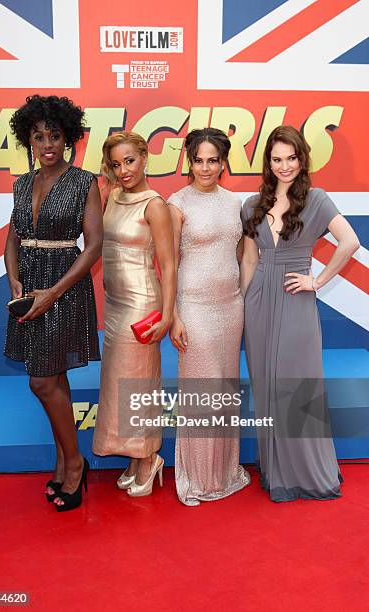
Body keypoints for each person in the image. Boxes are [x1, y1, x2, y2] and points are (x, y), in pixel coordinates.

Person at [240, 125, 360, 502]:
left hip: (295, 297)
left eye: (291, 158)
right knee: (267, 386)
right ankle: (276, 470)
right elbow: (248, 257)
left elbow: (351, 241)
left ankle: (306, 473)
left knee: (296, 383)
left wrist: (318, 280)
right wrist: (246, 302)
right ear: (268, 162)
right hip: (259, 299)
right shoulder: (252, 204)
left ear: (302, 159)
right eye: (277, 159)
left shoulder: (318, 199)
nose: (284, 166)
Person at [4, 95, 103, 511]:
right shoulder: (21, 183)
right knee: (54, 380)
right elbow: (13, 238)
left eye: (55, 135)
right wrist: (13, 277)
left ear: (68, 138)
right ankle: (63, 463)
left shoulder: (84, 182)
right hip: (28, 291)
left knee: (42, 381)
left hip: (63, 290)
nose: (47, 143)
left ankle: (76, 467)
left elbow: (94, 245)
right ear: (28, 139)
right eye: (38, 136)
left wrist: (53, 292)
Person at [168, 128, 251, 506]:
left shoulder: (236, 202)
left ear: (223, 163)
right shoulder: (177, 202)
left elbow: (243, 256)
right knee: (202, 390)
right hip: (194, 306)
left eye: (213, 160)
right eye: (198, 160)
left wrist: (246, 297)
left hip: (230, 306)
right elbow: (166, 264)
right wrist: (173, 314)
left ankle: (224, 472)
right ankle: (199, 479)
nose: (205, 167)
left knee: (224, 389)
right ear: (189, 161)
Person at [92, 131, 176, 497]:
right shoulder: (111, 195)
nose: (123, 170)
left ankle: (148, 458)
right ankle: (134, 454)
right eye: (115, 163)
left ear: (144, 158)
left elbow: (170, 265)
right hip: (114, 305)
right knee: (118, 384)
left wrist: (168, 315)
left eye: (129, 161)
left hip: (143, 305)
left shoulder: (154, 204)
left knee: (140, 385)